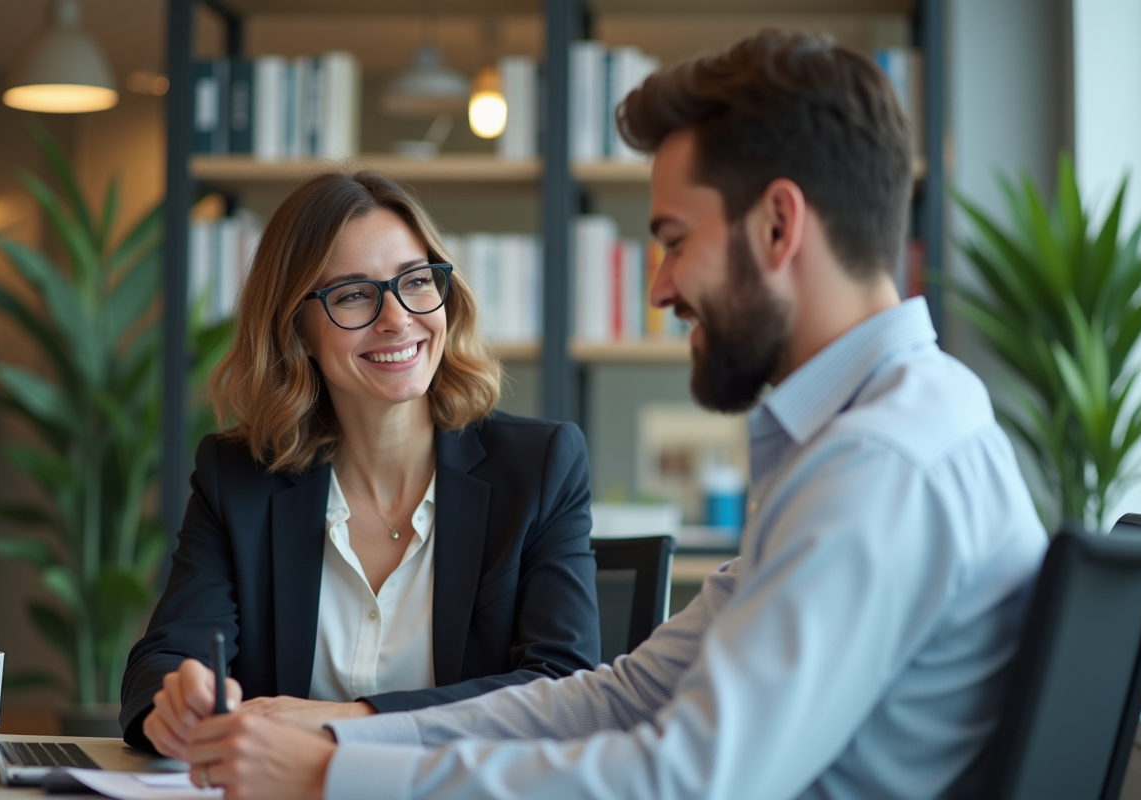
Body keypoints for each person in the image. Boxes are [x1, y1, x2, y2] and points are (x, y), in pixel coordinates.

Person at [176, 30, 1048, 799]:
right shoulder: (891, 430)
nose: (660, 288)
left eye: (674, 241)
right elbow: (625, 696)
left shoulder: (878, 464)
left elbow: (683, 781)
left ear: (779, 226)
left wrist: (330, 778)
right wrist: (343, 740)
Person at [119, 170, 602, 755]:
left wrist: (349, 719)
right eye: (352, 295)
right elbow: (165, 661)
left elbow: (562, 690)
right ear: (297, 331)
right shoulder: (239, 477)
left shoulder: (540, 467)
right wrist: (177, 702)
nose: (397, 318)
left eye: (416, 281)